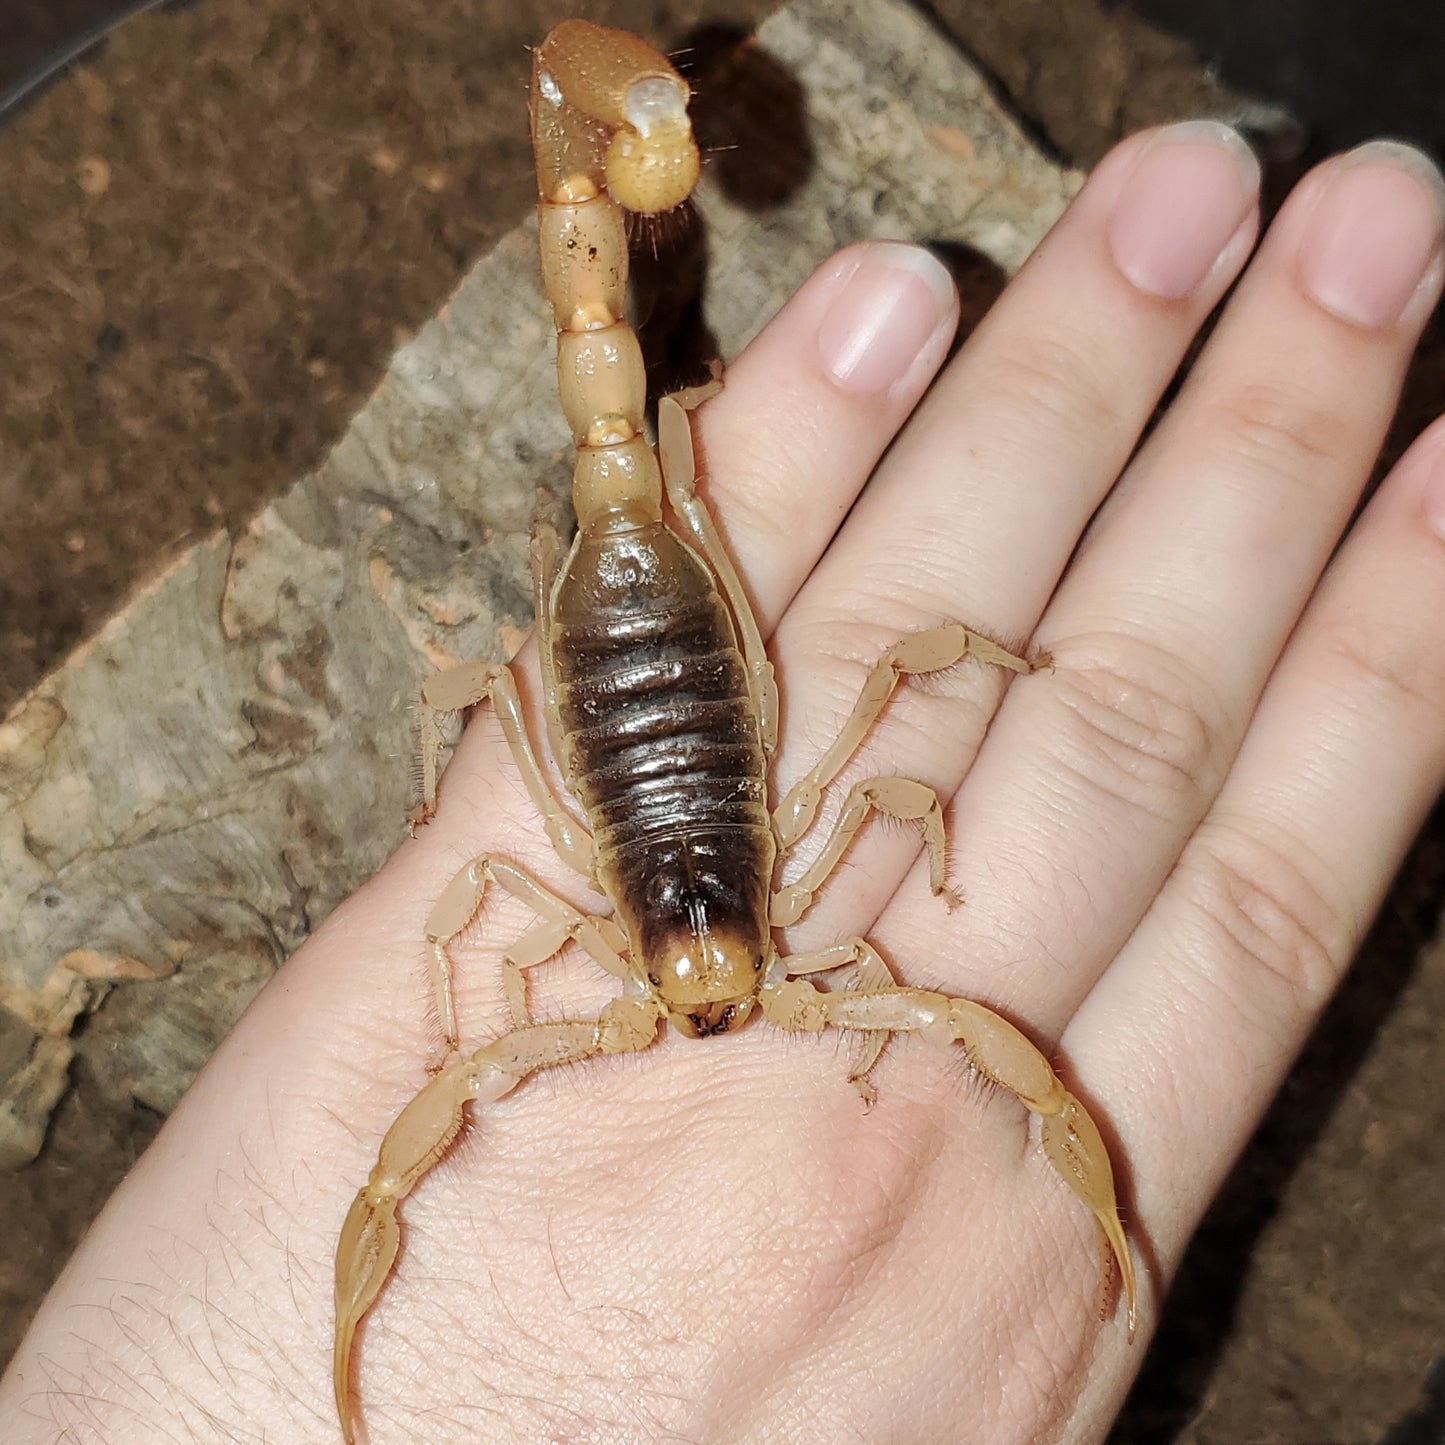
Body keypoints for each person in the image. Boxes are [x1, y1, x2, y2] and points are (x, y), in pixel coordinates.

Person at [2, 120, 1442, 1444]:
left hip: (640, 701)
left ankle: (606, 264)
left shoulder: (625, 936)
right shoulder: (786, 924)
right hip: (670, 684)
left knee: (625, 500)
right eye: (706, 997)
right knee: (618, 492)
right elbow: (559, 877)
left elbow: (865, 796)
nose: (708, 1004)